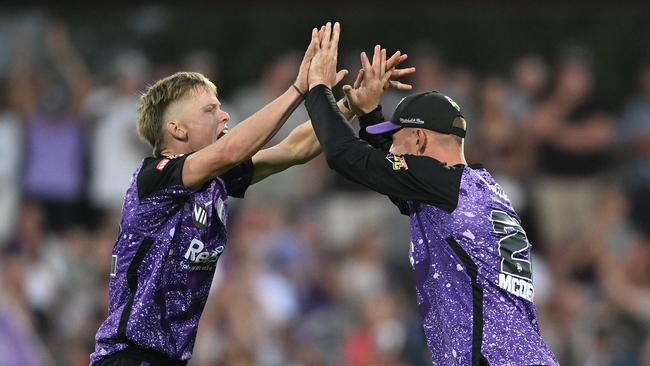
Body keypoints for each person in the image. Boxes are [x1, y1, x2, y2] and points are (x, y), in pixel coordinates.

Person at [90, 25, 413, 365]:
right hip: (128, 357)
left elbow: (294, 149)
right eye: (209, 110)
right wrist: (300, 89)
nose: (224, 114)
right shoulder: (155, 177)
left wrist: (348, 105)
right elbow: (231, 150)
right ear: (176, 129)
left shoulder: (215, 180)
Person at [304, 22, 559, 365]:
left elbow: (343, 155)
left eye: (398, 136)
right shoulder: (481, 187)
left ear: (421, 139)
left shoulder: (441, 183)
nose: (392, 146)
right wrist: (369, 115)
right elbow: (394, 173)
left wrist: (317, 87)